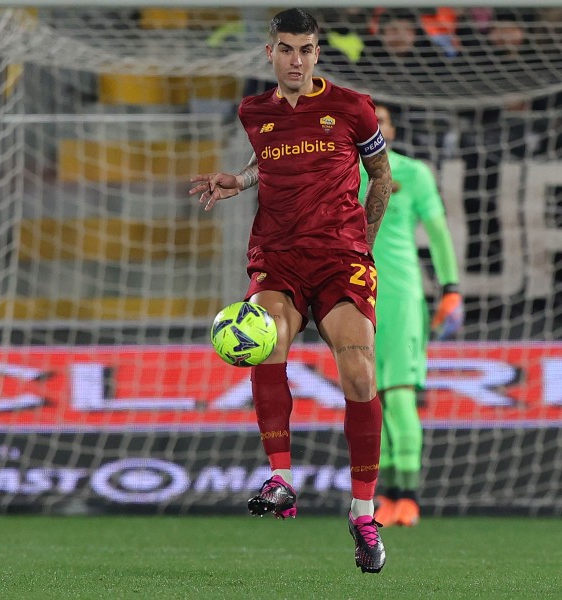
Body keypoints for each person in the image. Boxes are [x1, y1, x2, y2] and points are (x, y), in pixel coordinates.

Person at [188, 8, 392, 574]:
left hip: (339, 261)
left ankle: (363, 513)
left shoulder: (352, 107)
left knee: (359, 372)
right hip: (277, 258)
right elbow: (270, 159)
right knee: (265, 335)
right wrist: (240, 178)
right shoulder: (254, 112)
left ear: (317, 53)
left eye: (306, 49)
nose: (296, 60)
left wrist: (364, 243)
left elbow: (381, 175)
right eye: (286, 49)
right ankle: (281, 479)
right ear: (269, 53)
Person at [358, 104, 463, 527]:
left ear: (392, 130)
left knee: (399, 395)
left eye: (381, 122)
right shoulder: (343, 171)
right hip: (355, 293)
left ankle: (409, 496)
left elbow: (437, 232)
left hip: (400, 295)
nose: (375, 128)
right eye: (369, 122)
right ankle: (384, 494)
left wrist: (451, 288)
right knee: (370, 399)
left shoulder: (413, 174)